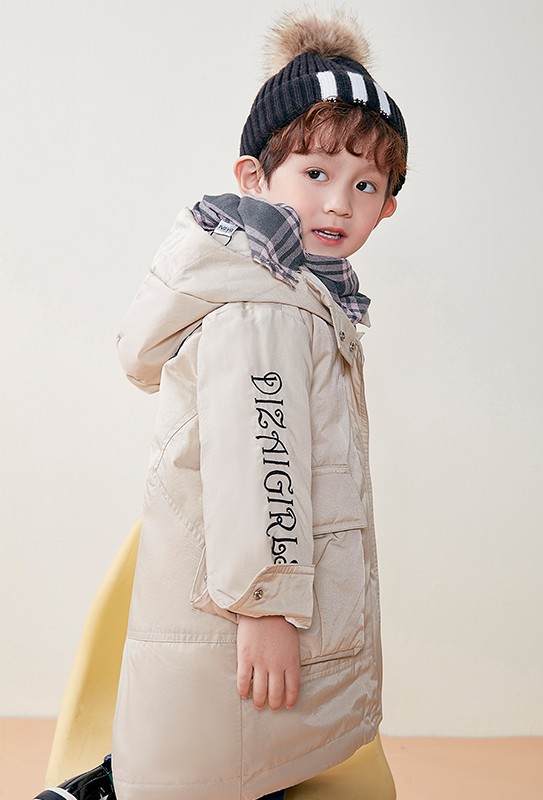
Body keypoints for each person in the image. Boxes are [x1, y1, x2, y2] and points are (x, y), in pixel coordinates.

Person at [35, 8, 408, 800]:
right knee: (227, 753)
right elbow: (258, 454)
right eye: (316, 173)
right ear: (254, 178)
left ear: (387, 207)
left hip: (243, 582)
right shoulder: (265, 302)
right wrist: (266, 608)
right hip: (248, 593)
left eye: (365, 185)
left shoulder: (298, 292)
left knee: (229, 747)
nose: (339, 204)